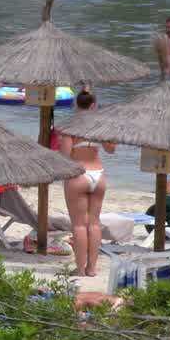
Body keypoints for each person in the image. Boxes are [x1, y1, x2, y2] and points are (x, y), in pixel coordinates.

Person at [54, 90, 113, 276]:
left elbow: (65, 155)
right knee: (94, 224)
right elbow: (111, 149)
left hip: (79, 174)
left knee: (79, 225)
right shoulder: (100, 125)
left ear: (75, 104)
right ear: (93, 105)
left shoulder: (70, 126)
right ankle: (92, 268)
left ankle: (80, 269)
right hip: (98, 174)